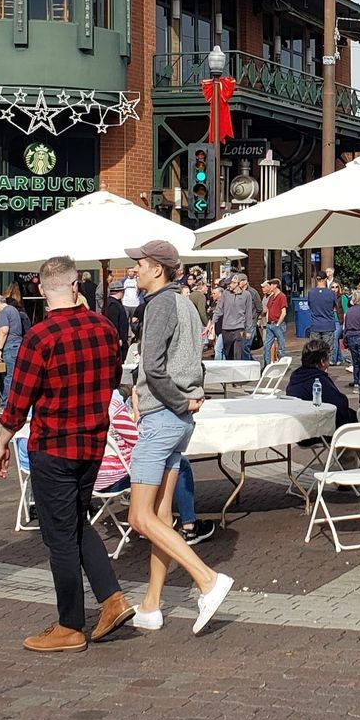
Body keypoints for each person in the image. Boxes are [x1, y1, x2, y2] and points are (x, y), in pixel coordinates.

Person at [0, 255, 135, 653]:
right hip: (92, 443)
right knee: (75, 522)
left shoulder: (41, 337)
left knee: (59, 536)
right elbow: (111, 382)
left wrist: (1, 442)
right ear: (76, 286)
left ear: (41, 288)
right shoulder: (105, 329)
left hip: (54, 445)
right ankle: (112, 598)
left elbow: (19, 400)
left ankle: (71, 624)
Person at [121, 240, 234, 636]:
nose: (133, 269)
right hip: (178, 421)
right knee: (161, 516)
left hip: (163, 417)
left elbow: (151, 367)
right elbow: (193, 358)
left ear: (158, 268)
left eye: (139, 264)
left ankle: (207, 579)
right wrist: (190, 397)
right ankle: (151, 604)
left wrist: (178, 402)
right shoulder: (185, 303)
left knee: (139, 516)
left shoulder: (159, 305)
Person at [285, 338, 356, 428]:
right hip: (319, 430)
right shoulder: (319, 381)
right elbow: (340, 405)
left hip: (299, 427)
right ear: (322, 361)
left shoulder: (296, 377)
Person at [0, 292, 28, 410]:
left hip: (9, 348)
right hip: (16, 345)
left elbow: (3, 331)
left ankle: (6, 404)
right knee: (15, 375)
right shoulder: (13, 310)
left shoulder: (3, 312)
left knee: (8, 377)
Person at [212, 274, 257, 362]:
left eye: (232, 283)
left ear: (239, 283)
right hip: (226, 328)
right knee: (228, 354)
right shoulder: (225, 293)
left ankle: (238, 373)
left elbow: (248, 314)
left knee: (238, 354)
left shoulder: (246, 295)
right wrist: (213, 323)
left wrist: (248, 330)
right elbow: (219, 310)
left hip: (239, 328)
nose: (230, 285)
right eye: (229, 283)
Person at [305, 273, 339, 357]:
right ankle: (325, 369)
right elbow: (335, 307)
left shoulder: (311, 293)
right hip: (328, 325)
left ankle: (315, 369)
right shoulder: (332, 294)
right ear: (325, 280)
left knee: (314, 352)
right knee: (327, 352)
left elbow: (310, 306)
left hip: (315, 325)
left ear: (317, 280)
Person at [259, 278, 290, 366]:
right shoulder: (271, 297)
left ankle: (282, 365)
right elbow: (268, 309)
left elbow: (283, 312)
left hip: (277, 325)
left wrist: (278, 323)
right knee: (266, 346)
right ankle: (267, 365)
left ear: (275, 285)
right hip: (270, 324)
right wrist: (268, 321)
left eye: (271, 285)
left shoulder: (282, 296)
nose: (270, 286)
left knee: (281, 346)